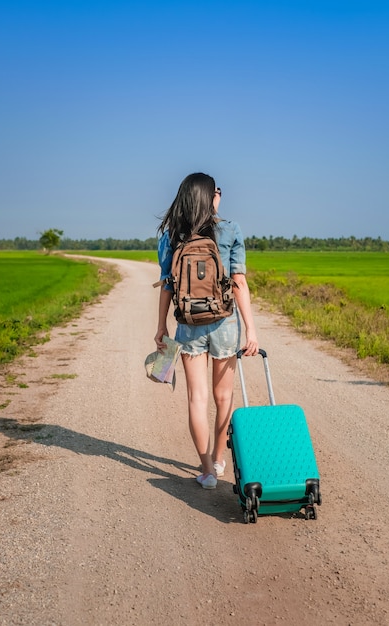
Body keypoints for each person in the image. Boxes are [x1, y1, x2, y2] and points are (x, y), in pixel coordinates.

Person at [154, 172, 259, 489]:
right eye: (216, 191)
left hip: (188, 325)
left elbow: (167, 286)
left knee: (196, 399)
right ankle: (218, 458)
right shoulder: (229, 229)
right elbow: (239, 282)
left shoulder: (172, 236)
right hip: (225, 323)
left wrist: (161, 327)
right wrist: (251, 331)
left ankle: (206, 472)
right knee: (223, 396)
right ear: (209, 196)